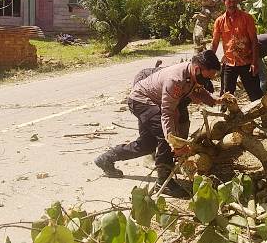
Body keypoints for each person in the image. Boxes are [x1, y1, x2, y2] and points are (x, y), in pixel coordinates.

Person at [94, 50, 224, 198]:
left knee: (147, 144)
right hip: (141, 101)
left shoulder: (193, 75)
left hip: (152, 103)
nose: (207, 81)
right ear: (197, 69)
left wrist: (215, 100)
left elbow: (198, 91)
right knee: (166, 137)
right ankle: (163, 182)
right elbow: (167, 113)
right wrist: (175, 144)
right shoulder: (176, 79)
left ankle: (106, 158)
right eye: (207, 77)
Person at [211, 0, 267, 128]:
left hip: (247, 63)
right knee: (226, 96)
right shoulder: (219, 21)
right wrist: (209, 63)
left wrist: (255, 63)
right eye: (228, 1)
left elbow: (254, 42)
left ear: (238, 1)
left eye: (234, 1)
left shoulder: (247, 18)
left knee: (255, 95)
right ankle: (223, 126)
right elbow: (214, 43)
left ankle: (266, 125)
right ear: (224, 2)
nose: (231, 4)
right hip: (229, 64)